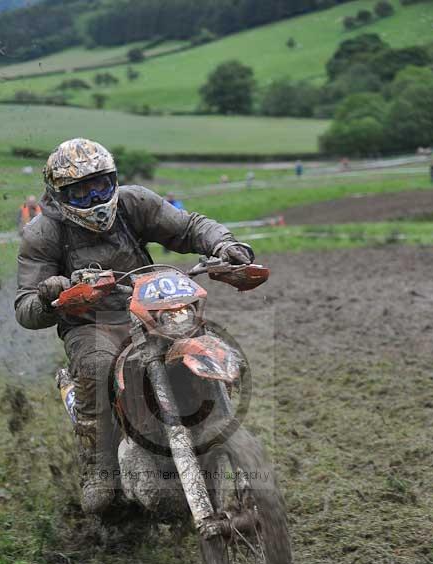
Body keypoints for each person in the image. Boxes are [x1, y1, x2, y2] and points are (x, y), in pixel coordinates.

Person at [14, 138, 254, 515]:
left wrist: (223, 244)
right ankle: (100, 467)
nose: (94, 197)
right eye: (80, 191)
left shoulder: (133, 202)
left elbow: (188, 226)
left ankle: (220, 430)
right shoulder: (43, 233)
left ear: (114, 180)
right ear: (59, 194)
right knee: (96, 365)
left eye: (101, 185)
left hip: (150, 306)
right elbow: (25, 308)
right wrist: (49, 296)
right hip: (91, 322)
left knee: (200, 338)